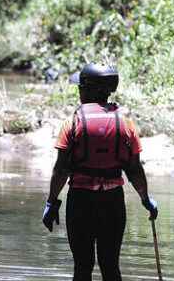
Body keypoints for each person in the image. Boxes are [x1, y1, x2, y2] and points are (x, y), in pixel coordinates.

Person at [41, 64, 159, 281]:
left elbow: (61, 169)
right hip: (113, 203)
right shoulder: (125, 124)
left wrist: (51, 202)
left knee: (82, 266)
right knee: (110, 265)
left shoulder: (72, 123)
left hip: (81, 202)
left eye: (80, 87)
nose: (78, 92)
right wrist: (145, 198)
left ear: (89, 90)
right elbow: (134, 169)